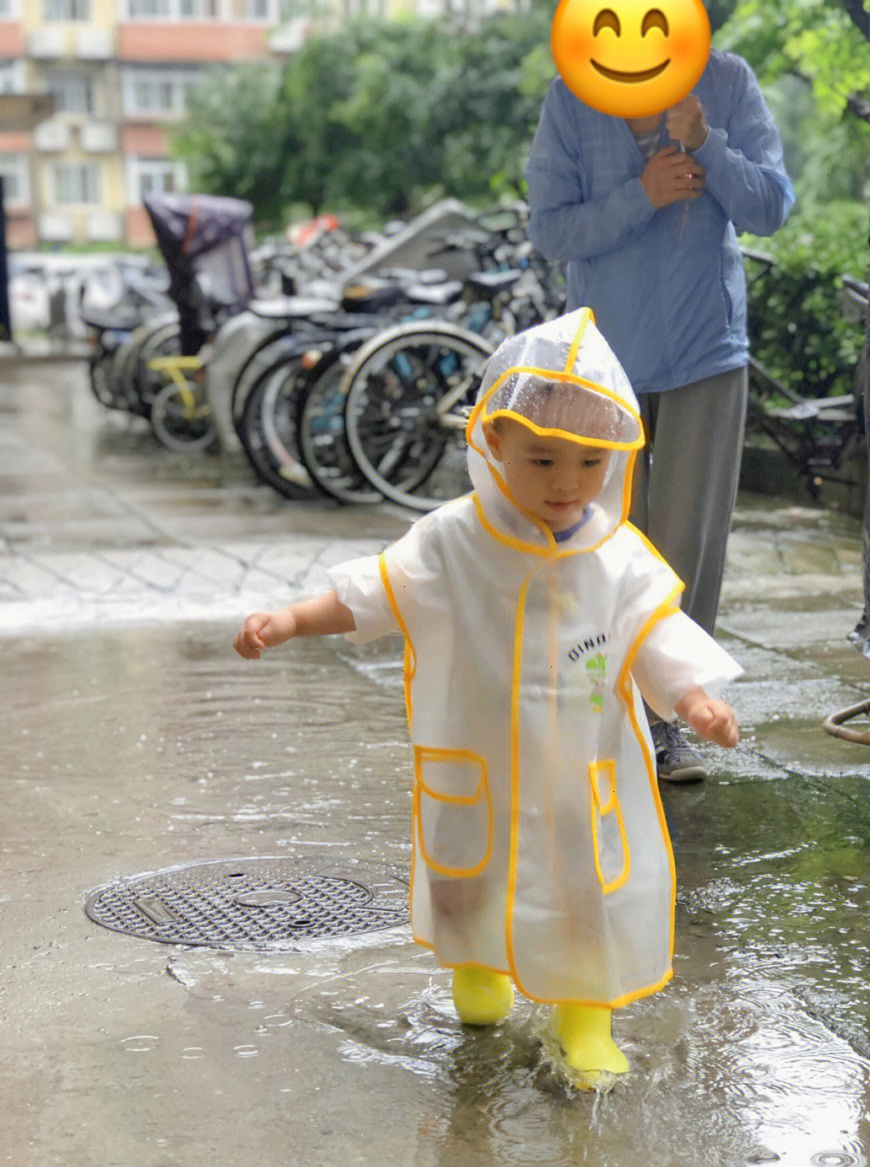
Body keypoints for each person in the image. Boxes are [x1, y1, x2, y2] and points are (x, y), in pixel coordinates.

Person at [234, 309, 741, 1090]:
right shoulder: (452, 540)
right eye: (541, 459)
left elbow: (656, 632)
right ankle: (479, 968)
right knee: (470, 875)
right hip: (481, 757)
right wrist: (293, 619)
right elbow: (375, 593)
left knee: (585, 892)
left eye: (590, 461)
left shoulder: (618, 556)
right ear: (493, 442)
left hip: (580, 770)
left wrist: (694, 698)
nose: (567, 483)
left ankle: (585, 1020)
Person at [526, 51, 794, 782]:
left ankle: (662, 721)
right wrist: (641, 194)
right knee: (595, 542)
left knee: (683, 550)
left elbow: (771, 205)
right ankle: (593, 711)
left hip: (706, 350)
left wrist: (709, 144)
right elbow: (550, 231)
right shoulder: (571, 98)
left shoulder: (729, 80)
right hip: (604, 363)